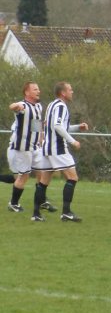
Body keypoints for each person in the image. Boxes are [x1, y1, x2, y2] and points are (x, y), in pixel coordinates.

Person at [36, 82, 88, 222]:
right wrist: (72, 141)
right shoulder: (61, 106)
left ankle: (36, 214)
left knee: (43, 181)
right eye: (70, 90)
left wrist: (78, 127)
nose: (72, 92)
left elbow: (58, 126)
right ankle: (66, 212)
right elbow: (58, 127)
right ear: (63, 93)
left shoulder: (52, 105)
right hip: (57, 148)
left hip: (47, 147)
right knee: (73, 178)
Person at [6, 81, 57, 215]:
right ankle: (13, 203)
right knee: (24, 176)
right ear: (27, 92)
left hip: (35, 147)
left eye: (38, 89)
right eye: (35, 89)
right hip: (22, 148)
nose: (38, 91)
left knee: (43, 172)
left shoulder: (38, 106)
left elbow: (36, 124)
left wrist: (41, 140)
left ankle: (41, 200)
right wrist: (15, 105)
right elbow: (14, 106)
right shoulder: (23, 106)